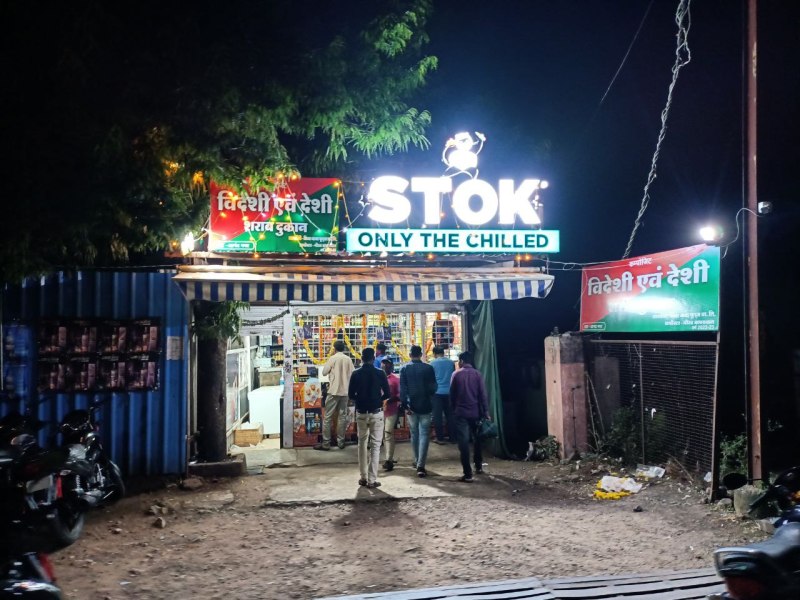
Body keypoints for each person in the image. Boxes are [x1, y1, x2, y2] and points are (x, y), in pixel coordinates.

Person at [348, 347, 390, 488]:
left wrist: (360, 399)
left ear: (361, 358)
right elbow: (387, 394)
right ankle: (372, 480)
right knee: (376, 446)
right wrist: (378, 399)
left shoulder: (355, 374)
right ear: (373, 359)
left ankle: (363, 477)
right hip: (376, 412)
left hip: (361, 412)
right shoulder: (380, 373)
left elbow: (351, 395)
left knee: (362, 444)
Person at [449, 351, 490, 482]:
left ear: (461, 361)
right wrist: (486, 413)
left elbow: (452, 395)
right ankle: (478, 466)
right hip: (476, 413)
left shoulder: (456, 375)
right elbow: (483, 395)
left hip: (460, 414)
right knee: (477, 439)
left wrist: (453, 410)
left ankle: (468, 474)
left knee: (464, 443)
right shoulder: (478, 375)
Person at [399, 345, 437, 478]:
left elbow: (402, 390)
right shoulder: (429, 368)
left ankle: (416, 460)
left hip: (411, 407)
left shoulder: (404, 368)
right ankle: (421, 465)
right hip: (426, 405)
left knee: (414, 434)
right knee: (424, 434)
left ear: (410, 355)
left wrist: (405, 405)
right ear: (421, 355)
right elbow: (433, 388)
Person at [315, 340, 354, 451]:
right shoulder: (348, 359)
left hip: (333, 391)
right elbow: (353, 373)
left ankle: (326, 443)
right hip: (345, 392)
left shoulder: (332, 358)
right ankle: (340, 442)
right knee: (342, 417)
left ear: (334, 348)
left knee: (327, 417)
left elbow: (324, 372)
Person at [430, 346, 455, 444]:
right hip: (449, 392)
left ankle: (440, 438)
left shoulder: (432, 363)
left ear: (434, 354)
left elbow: (431, 379)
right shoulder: (451, 363)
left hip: (437, 393)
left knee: (437, 416)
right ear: (443, 353)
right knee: (450, 415)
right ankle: (453, 438)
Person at [381, 359, 401, 471]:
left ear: (391, 367)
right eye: (383, 367)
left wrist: (388, 400)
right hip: (379, 411)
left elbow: (399, 395)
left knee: (388, 433)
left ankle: (389, 460)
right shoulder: (378, 378)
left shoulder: (395, 380)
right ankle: (388, 457)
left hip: (391, 410)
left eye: (387, 367)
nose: (385, 369)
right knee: (384, 435)